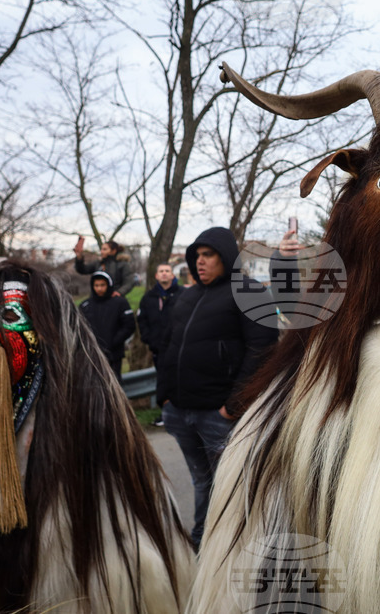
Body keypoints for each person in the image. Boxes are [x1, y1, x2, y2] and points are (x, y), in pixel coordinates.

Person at [156, 227, 279, 550]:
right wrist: (164, 395)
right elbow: (168, 346)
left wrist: (233, 405)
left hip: (219, 415)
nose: (200, 262)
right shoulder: (187, 295)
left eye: (208, 255)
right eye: (197, 256)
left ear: (226, 256)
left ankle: (238, 547)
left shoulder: (249, 292)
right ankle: (204, 542)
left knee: (234, 487)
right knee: (202, 482)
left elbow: (263, 351)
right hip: (180, 412)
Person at [79, 271, 136, 381]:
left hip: (114, 355)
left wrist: (113, 342)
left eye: (102, 285)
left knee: (113, 387)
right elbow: (80, 329)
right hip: (92, 356)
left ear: (108, 285)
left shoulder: (120, 303)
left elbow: (129, 326)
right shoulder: (85, 305)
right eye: (96, 285)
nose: (99, 288)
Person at [137, 263, 184, 367]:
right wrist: (148, 338)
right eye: (161, 271)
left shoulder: (183, 294)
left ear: (172, 275)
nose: (164, 273)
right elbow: (142, 320)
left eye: (167, 271)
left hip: (180, 348)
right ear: (156, 276)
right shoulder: (148, 297)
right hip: (158, 348)